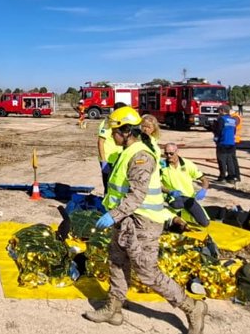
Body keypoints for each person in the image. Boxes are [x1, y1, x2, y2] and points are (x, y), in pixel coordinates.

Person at [86, 107, 207, 333]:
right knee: (117, 263)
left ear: (126, 131)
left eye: (115, 131)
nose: (112, 135)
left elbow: (137, 194)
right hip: (126, 220)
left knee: (147, 272)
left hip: (145, 223)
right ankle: (113, 308)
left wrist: (113, 214)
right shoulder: (127, 151)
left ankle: (192, 307)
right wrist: (117, 216)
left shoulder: (141, 156)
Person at [160, 142, 210, 227]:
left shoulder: (188, 164)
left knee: (205, 223)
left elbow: (204, 180)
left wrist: (204, 190)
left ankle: (184, 214)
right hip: (173, 197)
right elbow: (156, 184)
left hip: (188, 197)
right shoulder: (161, 166)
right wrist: (169, 191)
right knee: (177, 205)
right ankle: (172, 214)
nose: (168, 156)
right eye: (166, 153)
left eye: (171, 153)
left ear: (177, 152)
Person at [96, 106, 127, 188]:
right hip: (107, 159)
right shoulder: (107, 122)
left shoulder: (118, 122)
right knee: (108, 185)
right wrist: (103, 161)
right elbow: (100, 141)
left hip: (117, 158)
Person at [213, 105, 242, 186]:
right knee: (230, 160)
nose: (218, 112)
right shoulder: (233, 120)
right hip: (231, 143)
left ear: (222, 110)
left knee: (222, 160)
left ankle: (222, 177)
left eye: (219, 111)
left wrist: (216, 139)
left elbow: (218, 131)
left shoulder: (221, 119)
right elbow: (234, 131)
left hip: (222, 143)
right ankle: (231, 177)